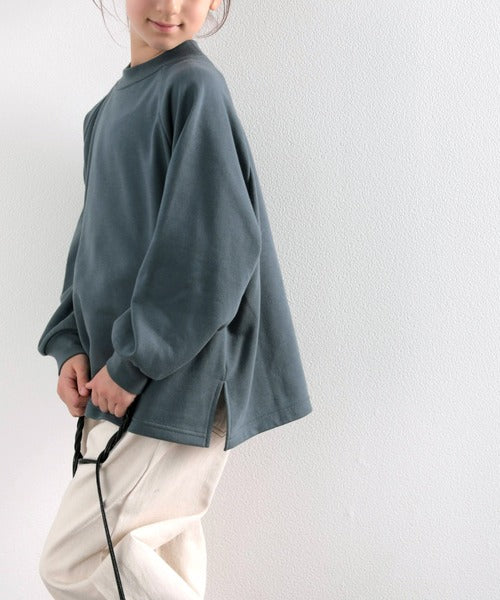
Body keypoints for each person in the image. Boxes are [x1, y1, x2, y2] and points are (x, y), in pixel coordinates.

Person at [37, 0, 313, 598]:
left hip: (174, 379)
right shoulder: (105, 114)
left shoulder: (194, 88)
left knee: (74, 562)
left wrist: (136, 361)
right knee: (159, 556)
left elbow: (215, 248)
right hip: (126, 379)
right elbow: (93, 245)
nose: (168, 5)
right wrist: (70, 343)